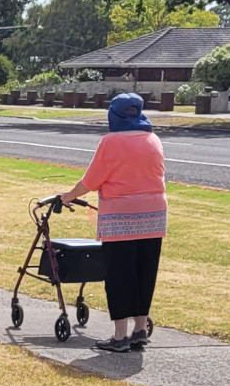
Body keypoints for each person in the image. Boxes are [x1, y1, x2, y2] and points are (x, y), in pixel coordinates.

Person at [59, 92, 167, 352]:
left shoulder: (111, 142)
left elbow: (91, 181)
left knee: (120, 274)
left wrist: (68, 196)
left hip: (121, 215)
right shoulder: (153, 139)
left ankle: (120, 335)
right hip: (154, 214)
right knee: (144, 272)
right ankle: (140, 328)